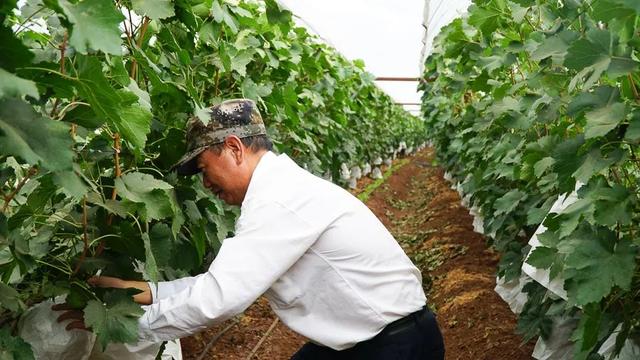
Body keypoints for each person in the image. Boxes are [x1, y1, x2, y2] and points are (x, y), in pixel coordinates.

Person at [72, 99, 445, 359]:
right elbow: (221, 282)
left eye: (203, 169)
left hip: (394, 346)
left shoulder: (279, 200)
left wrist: (119, 324)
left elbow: (218, 299)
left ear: (234, 148)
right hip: (367, 339)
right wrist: (147, 291)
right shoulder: (279, 189)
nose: (204, 185)